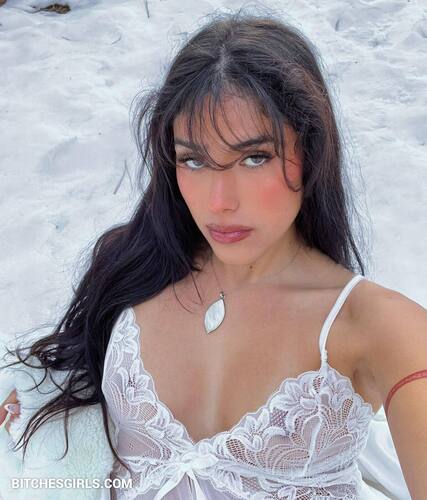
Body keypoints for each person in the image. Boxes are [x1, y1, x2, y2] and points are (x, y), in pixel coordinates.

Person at [1, 8, 426, 500]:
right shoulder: (137, 263)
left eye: (254, 158)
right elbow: (64, 377)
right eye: (194, 160)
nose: (219, 201)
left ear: (311, 152)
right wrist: (32, 391)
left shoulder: (377, 326)